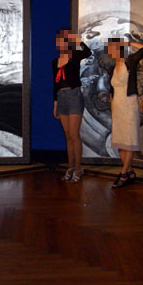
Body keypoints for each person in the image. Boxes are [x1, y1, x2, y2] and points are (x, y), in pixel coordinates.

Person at [106, 38, 143, 188]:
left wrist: (128, 43)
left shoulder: (129, 62)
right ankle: (129, 172)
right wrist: (112, 110)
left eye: (112, 47)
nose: (110, 51)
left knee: (129, 140)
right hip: (117, 107)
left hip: (129, 104)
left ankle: (123, 173)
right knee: (121, 142)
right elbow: (111, 91)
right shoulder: (112, 68)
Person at [52, 29, 92, 183]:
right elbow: (55, 85)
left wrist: (76, 39)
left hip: (74, 95)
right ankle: (70, 167)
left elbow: (87, 52)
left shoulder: (74, 56)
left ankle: (78, 168)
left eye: (62, 40)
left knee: (74, 135)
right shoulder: (55, 61)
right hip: (61, 97)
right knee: (68, 135)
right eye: (58, 40)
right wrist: (55, 104)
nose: (59, 43)